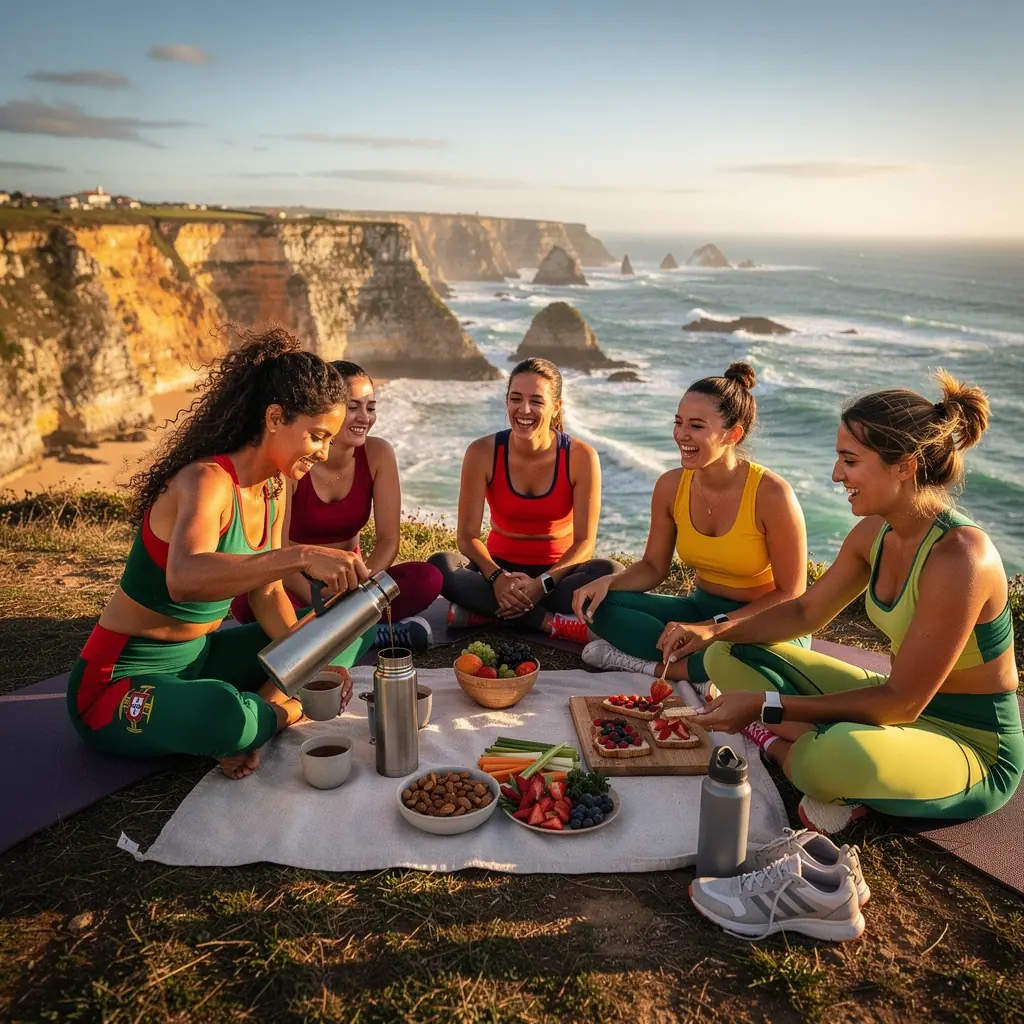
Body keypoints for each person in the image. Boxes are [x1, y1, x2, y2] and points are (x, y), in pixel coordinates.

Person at [665, 371, 1021, 834]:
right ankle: (819, 753)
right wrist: (713, 630)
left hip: (968, 743)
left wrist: (765, 707)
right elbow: (803, 612)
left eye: (849, 461)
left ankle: (780, 743)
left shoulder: (961, 557)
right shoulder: (873, 533)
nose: (837, 475)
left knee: (824, 760)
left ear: (905, 466)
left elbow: (903, 703)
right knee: (725, 654)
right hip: (892, 704)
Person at [67, 329, 375, 779]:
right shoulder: (207, 479)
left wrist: (309, 664)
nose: (325, 451)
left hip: (203, 655)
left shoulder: (274, 486)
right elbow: (185, 576)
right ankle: (278, 714)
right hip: (115, 683)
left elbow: (267, 593)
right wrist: (301, 556)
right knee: (224, 717)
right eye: (316, 436)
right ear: (275, 417)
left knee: (344, 632)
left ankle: (264, 708)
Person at [572, 362, 810, 691]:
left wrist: (715, 627)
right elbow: (653, 567)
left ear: (732, 434)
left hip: (762, 622)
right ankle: (699, 671)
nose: (682, 434)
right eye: (679, 422)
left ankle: (651, 666)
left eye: (696, 426)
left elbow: (791, 594)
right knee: (601, 606)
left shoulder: (772, 494)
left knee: (743, 655)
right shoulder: (671, 486)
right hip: (700, 608)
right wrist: (609, 583)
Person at [229, 360, 442, 650]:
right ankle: (368, 633)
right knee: (248, 604)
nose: (364, 417)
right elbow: (279, 551)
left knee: (427, 578)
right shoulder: (295, 462)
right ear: (330, 409)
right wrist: (321, 597)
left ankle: (337, 632)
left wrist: (357, 590)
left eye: (371, 407)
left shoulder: (378, 454)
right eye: (353, 407)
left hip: (355, 579)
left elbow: (389, 540)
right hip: (297, 581)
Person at [429, 358, 621, 642]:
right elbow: (467, 537)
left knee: (612, 573)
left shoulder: (581, 457)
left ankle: (485, 613)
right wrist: (497, 579)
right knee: (441, 565)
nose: (524, 410)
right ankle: (546, 622)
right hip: (497, 572)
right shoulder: (482, 452)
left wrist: (542, 584)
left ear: (556, 407)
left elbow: (584, 543)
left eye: (537, 401)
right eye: (515, 399)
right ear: (506, 401)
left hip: (557, 577)